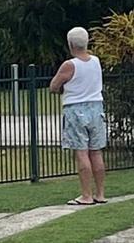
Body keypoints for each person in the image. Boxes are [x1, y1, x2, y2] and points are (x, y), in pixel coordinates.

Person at [50, 27, 107, 206]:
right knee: (96, 151)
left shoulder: (70, 65)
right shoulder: (96, 61)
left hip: (76, 110)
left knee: (81, 153)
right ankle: (100, 193)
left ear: (70, 44)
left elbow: (53, 86)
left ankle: (86, 195)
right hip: (96, 108)